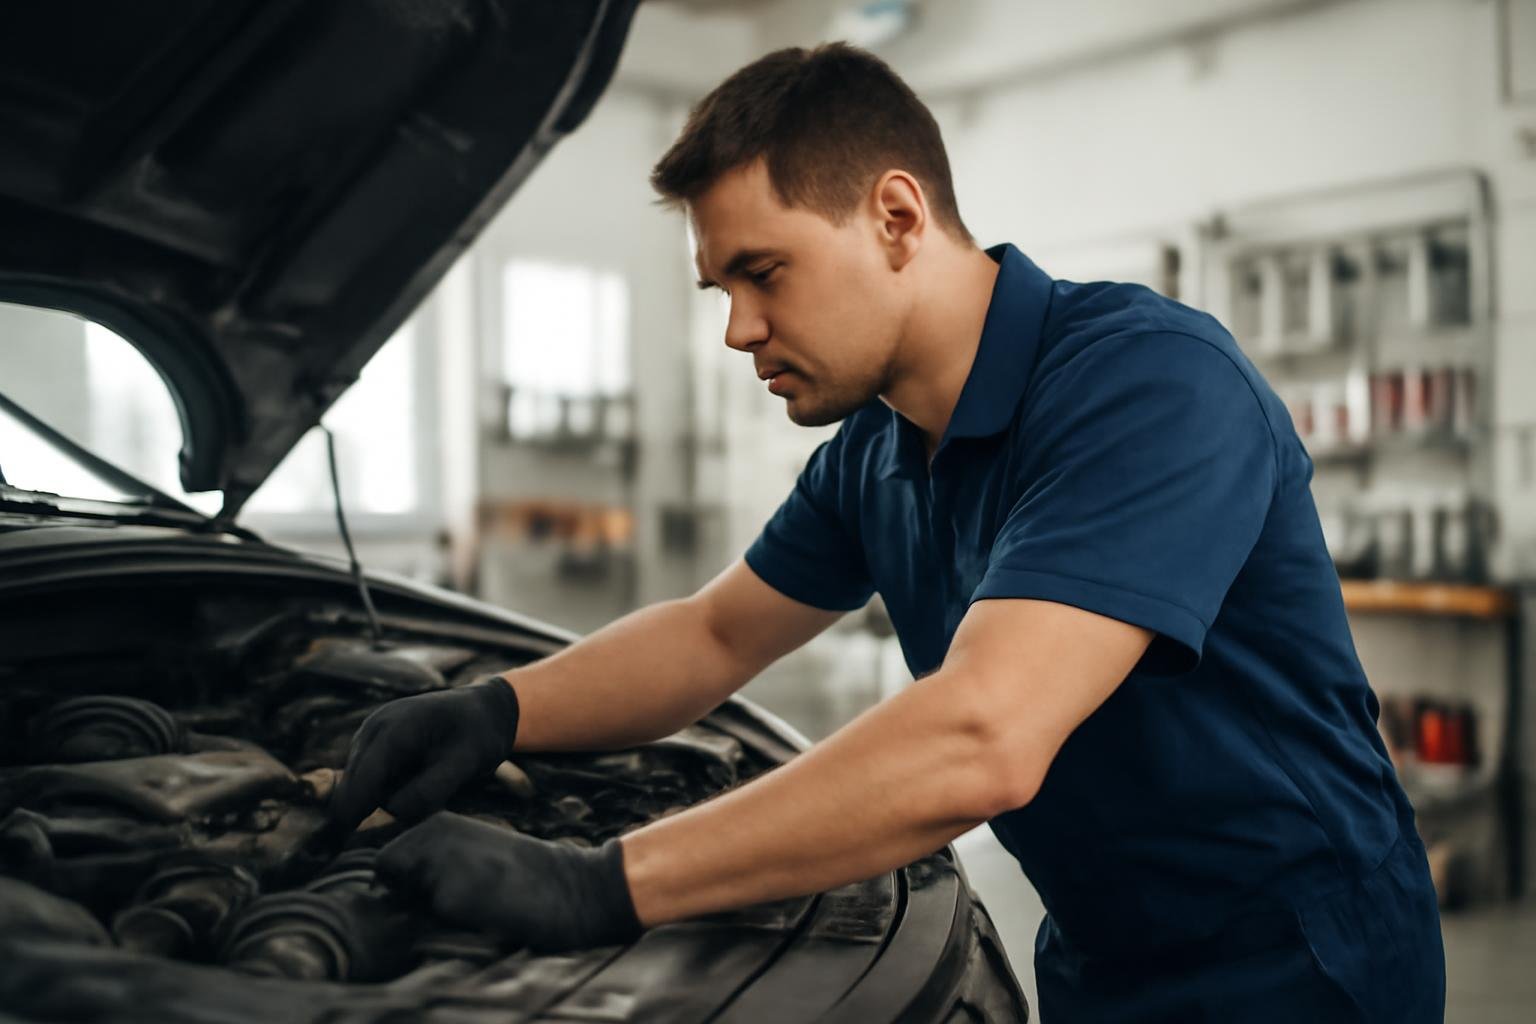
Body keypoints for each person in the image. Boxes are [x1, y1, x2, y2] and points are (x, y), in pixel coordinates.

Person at [332, 43, 1446, 1021]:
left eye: (762, 274)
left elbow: (982, 738)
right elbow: (716, 634)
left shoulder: (1149, 384)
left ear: (897, 219)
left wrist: (598, 883)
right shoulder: (877, 453)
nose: (739, 330)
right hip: (1103, 944)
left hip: (1295, 960)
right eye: (720, 287)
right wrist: (499, 709)